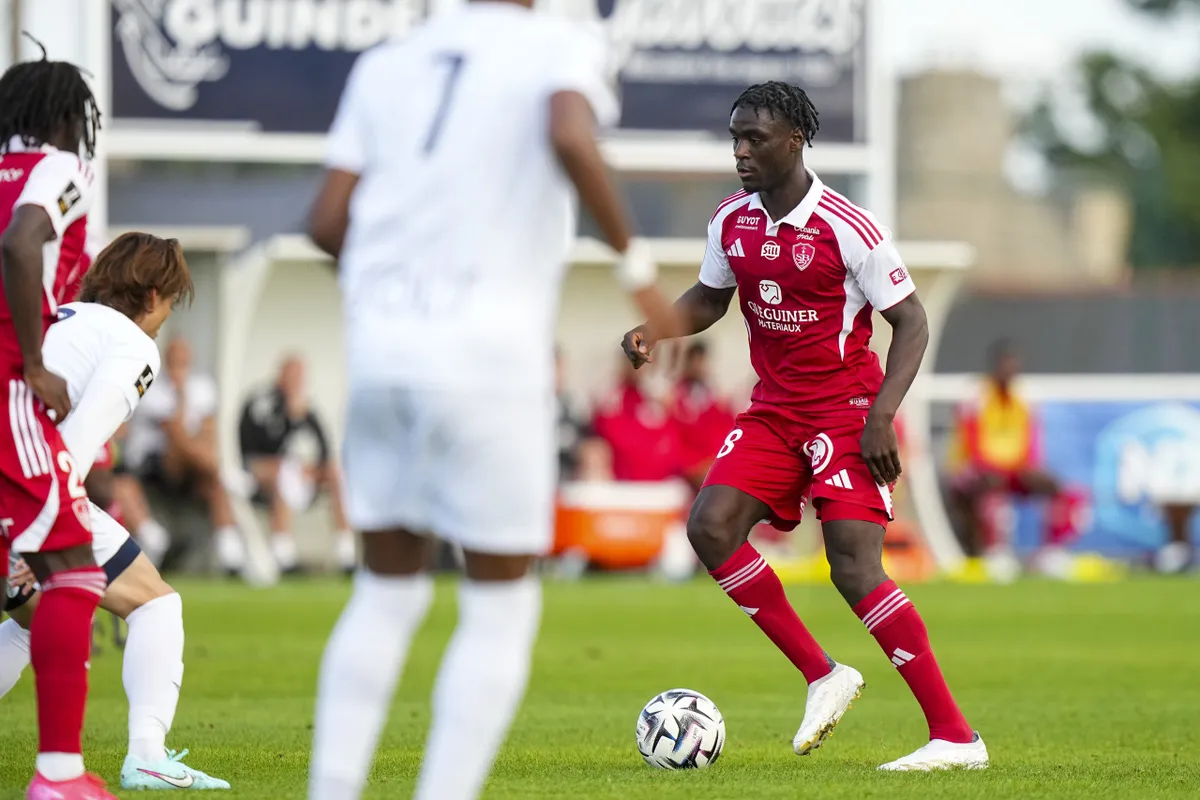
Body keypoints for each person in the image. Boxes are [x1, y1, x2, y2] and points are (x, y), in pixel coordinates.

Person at [304, 1, 681, 797]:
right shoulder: (558, 43)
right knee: (499, 606)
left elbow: (327, 221)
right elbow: (571, 132)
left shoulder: (386, 64)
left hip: (382, 356)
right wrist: (636, 269)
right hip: (487, 357)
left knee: (383, 593)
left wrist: (388, 297)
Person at [620, 81, 988, 771]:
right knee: (709, 526)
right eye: (735, 138)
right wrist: (656, 327)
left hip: (847, 411)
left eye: (754, 138)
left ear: (795, 139)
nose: (741, 151)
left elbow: (911, 320)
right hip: (774, 411)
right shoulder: (731, 220)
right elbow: (710, 296)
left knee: (853, 565)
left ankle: (955, 738)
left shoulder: (848, 226)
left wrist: (882, 418)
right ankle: (823, 674)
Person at [0, 232, 229, 791]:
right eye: (172, 302)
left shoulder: (63, 317)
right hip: (24, 481)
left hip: (13, 466)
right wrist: (44, 534)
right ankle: (147, 756)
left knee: (34, 621)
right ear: (152, 295)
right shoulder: (133, 345)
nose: (166, 317)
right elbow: (74, 444)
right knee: (157, 605)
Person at [0, 46, 119, 799]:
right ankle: (59, 777)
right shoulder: (59, 169)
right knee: (73, 571)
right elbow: (21, 242)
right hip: (8, 391)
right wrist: (37, 365)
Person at [946, 339, 1088, 580]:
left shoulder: (1023, 397)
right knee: (992, 487)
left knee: (1063, 490)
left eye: (1014, 364)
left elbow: (1031, 442)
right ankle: (995, 553)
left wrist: (1029, 469)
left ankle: (1049, 554)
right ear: (995, 366)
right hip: (972, 471)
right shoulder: (976, 396)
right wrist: (994, 469)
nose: (1010, 369)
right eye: (1005, 363)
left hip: (1012, 469)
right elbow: (972, 447)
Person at [122, 337, 245, 574]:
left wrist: (204, 454)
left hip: (194, 468)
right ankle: (223, 472)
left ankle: (232, 557)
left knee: (213, 484)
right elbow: (174, 430)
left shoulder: (203, 386)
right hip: (154, 464)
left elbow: (209, 430)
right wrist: (180, 393)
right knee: (180, 443)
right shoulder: (151, 387)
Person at [238, 355, 355, 574]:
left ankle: (346, 551)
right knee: (286, 471)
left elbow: (323, 448)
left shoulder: (307, 408)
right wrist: (290, 419)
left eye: (301, 376)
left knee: (335, 472)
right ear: (281, 374)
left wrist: (311, 468)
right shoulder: (261, 403)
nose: (297, 381)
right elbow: (258, 447)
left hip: (304, 474)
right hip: (263, 471)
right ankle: (284, 554)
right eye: (293, 375)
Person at [672, 340, 736, 492]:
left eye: (701, 361)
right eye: (694, 361)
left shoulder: (715, 398)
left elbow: (727, 431)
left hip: (715, 468)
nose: (698, 366)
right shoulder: (675, 397)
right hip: (688, 473)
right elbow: (674, 437)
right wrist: (694, 466)